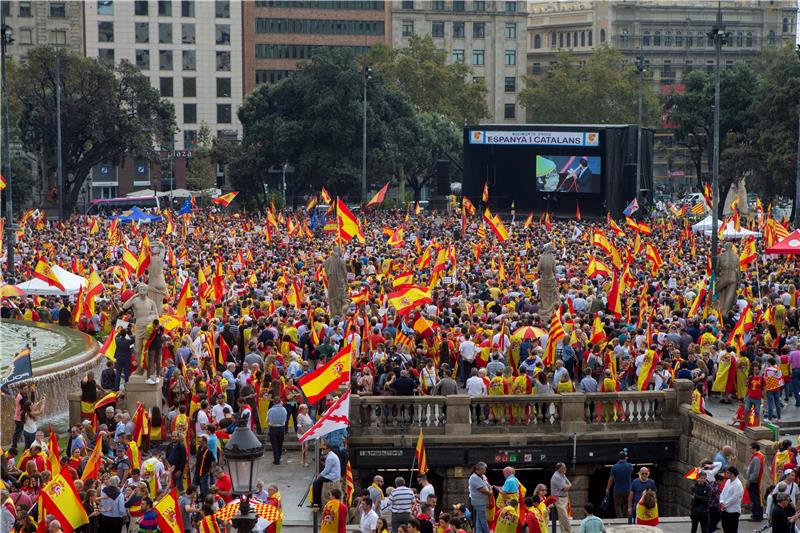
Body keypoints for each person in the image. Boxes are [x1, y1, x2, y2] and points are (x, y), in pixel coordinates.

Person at [312, 443, 341, 508]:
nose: (323, 450)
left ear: (328, 449)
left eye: (324, 449)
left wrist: (320, 475)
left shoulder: (330, 457)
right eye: (322, 449)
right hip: (332, 474)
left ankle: (316, 502)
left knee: (315, 483)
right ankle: (318, 501)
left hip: (332, 476)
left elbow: (326, 470)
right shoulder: (331, 455)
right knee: (318, 483)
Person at [605, 451, 633, 519]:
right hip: (628, 489)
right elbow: (631, 470)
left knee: (617, 505)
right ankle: (625, 518)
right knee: (626, 504)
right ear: (625, 458)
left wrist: (608, 488)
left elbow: (611, 479)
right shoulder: (629, 466)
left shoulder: (614, 467)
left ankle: (620, 519)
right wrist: (626, 461)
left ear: (618, 458)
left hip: (617, 489)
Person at [468, 462, 491, 533]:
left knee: (478, 519)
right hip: (479, 502)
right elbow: (481, 489)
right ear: (480, 469)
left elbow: (487, 484)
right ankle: (487, 531)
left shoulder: (482, 476)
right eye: (484, 469)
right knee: (483, 519)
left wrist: (490, 489)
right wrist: (489, 492)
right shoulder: (474, 477)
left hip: (482, 502)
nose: (485, 471)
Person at [720, 466, 743, 533]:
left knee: (732, 530)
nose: (726, 474)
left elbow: (734, 498)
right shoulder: (728, 481)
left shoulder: (738, 484)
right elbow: (723, 492)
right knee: (725, 527)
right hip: (725, 510)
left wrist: (725, 505)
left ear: (732, 474)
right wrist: (721, 501)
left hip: (734, 511)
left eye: (727, 473)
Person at [745, 443, 765, 521]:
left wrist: (749, 480)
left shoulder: (756, 458)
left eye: (750, 448)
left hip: (753, 482)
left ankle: (757, 516)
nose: (749, 449)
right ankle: (756, 514)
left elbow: (756, 473)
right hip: (754, 481)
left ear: (755, 449)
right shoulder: (758, 457)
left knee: (755, 499)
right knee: (755, 498)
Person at [550, 462, 572, 533]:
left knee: (562, 517)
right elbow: (565, 488)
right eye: (564, 468)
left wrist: (569, 485)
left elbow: (569, 484)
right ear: (559, 469)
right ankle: (570, 530)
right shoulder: (556, 476)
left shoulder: (562, 474)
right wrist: (569, 486)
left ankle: (564, 532)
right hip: (558, 498)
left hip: (564, 498)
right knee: (564, 515)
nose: (565, 469)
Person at [267, 399, 287, 465]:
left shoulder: (271, 410)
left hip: (273, 428)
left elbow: (268, 420)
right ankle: (279, 456)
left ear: (274, 402)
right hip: (281, 428)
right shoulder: (284, 409)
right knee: (280, 443)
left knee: (274, 444)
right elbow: (285, 419)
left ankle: (276, 459)